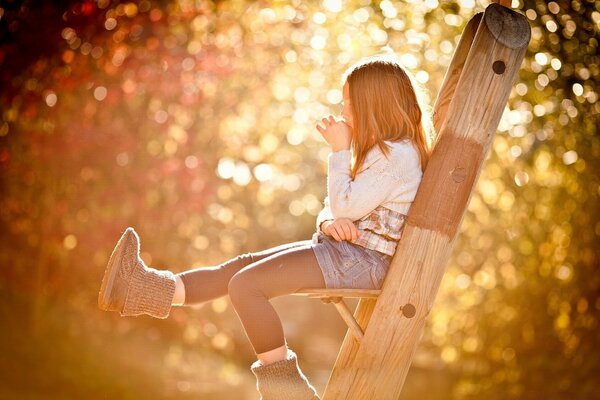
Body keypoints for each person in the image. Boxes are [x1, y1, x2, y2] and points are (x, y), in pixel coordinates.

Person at [97, 52, 432, 400]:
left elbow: (344, 202)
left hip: (364, 261)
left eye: (349, 104)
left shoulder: (398, 155)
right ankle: (141, 289)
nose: (344, 113)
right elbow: (336, 207)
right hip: (346, 252)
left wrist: (338, 152)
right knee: (240, 269)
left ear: (373, 104)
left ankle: (287, 394)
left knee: (246, 286)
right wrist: (330, 221)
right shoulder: (384, 152)